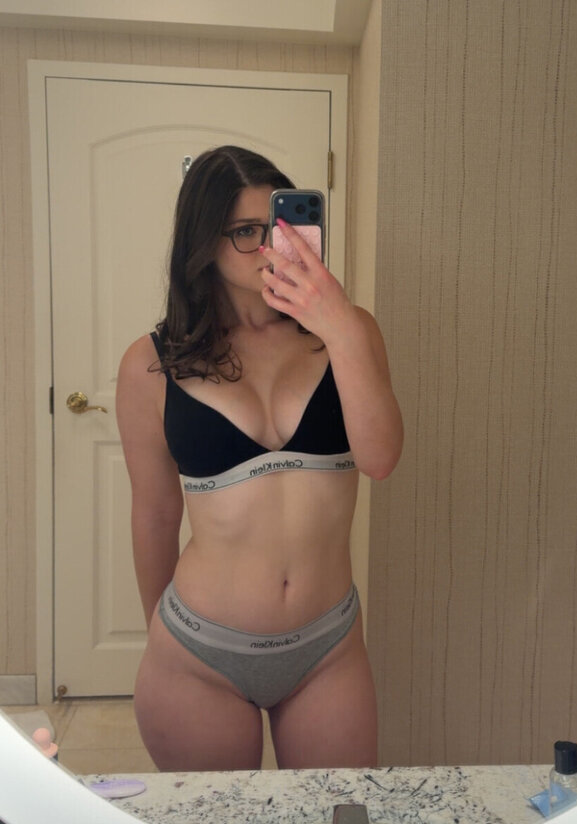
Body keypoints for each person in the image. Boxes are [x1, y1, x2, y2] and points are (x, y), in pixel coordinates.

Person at [116, 145, 403, 772]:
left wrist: (340, 323)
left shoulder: (349, 331)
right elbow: (155, 515)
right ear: (203, 244)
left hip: (328, 648)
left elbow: (381, 458)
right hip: (199, 656)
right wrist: (162, 636)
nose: (270, 246)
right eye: (246, 232)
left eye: (276, 225)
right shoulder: (151, 364)